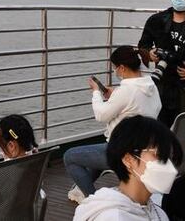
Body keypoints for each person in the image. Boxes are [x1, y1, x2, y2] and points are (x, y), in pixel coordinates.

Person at [65, 46, 162, 203]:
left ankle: (93, 200)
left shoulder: (126, 91)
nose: (116, 72)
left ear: (122, 67)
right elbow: (134, 104)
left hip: (122, 153)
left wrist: (96, 92)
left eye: (116, 68)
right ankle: (81, 190)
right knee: (94, 154)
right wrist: (114, 94)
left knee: (70, 157)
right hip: (144, 149)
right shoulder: (150, 86)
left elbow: (101, 115)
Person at [73, 115, 182, 221]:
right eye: (159, 155)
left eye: (169, 157)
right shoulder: (113, 216)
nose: (168, 165)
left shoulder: (156, 211)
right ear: (129, 160)